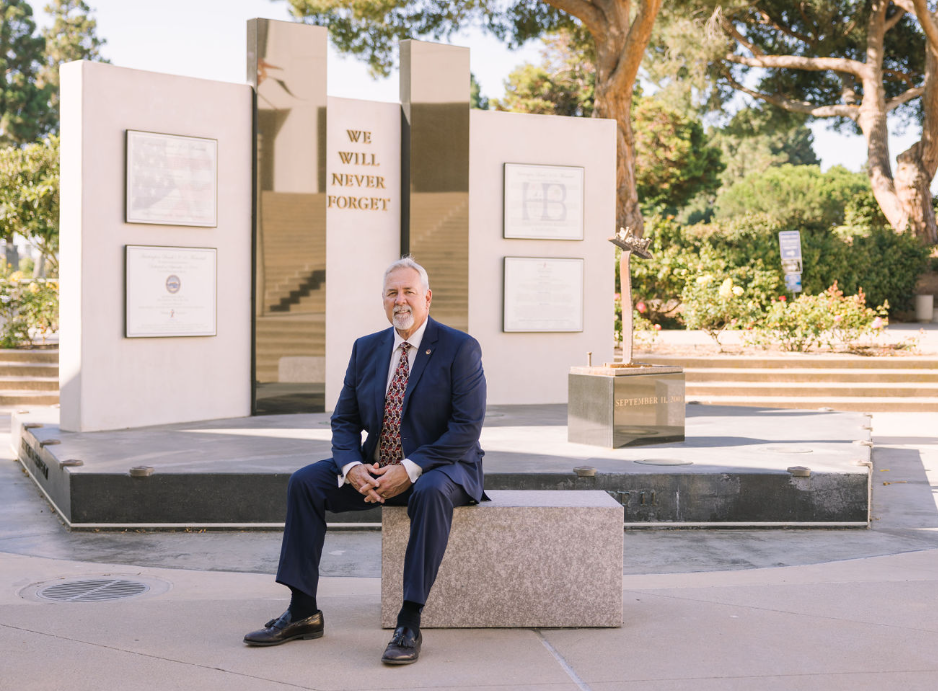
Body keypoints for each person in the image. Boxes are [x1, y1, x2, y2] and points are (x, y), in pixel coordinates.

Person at [244, 256, 487, 665]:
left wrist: (408, 469)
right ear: (383, 300)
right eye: (392, 293)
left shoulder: (459, 348)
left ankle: (409, 622)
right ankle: (303, 611)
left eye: (409, 291)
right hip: (374, 471)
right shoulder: (366, 348)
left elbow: (466, 428)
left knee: (429, 491)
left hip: (440, 470)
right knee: (305, 483)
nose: (400, 300)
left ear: (427, 297)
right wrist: (351, 467)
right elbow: (344, 420)